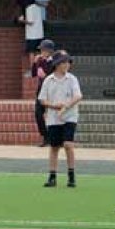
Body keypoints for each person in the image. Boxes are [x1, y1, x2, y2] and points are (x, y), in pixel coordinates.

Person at [39, 51, 82, 188]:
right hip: (53, 118)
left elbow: (78, 96)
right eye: (64, 62)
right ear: (57, 64)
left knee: (68, 144)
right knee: (54, 147)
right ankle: (52, 176)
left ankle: (71, 175)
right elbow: (42, 99)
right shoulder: (48, 80)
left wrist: (66, 106)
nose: (67, 65)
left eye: (68, 62)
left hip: (70, 116)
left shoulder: (72, 79)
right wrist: (54, 106)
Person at [32, 39, 56, 147]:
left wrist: (45, 75)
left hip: (52, 90)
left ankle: (54, 137)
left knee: (53, 114)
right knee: (38, 113)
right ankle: (45, 136)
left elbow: (53, 75)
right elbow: (34, 74)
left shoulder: (54, 61)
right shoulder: (40, 60)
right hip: (41, 90)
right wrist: (34, 62)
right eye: (41, 50)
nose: (41, 52)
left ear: (49, 51)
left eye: (43, 50)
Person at [18, 0, 43, 75]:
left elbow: (31, 22)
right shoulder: (38, 7)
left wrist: (22, 20)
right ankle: (39, 69)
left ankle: (33, 70)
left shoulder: (29, 8)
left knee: (31, 53)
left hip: (32, 35)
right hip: (39, 34)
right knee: (38, 53)